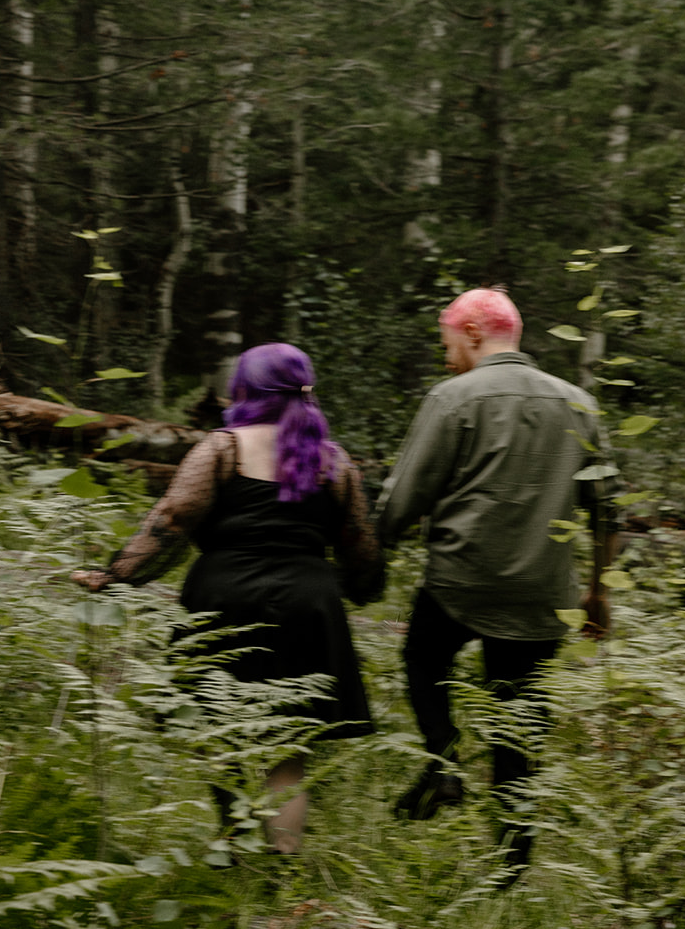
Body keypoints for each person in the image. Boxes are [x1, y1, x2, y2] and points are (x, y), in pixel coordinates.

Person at [73, 342, 383, 855]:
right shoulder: (333, 459)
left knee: (219, 731)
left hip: (225, 595)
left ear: (246, 388)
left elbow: (173, 518)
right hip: (307, 604)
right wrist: (364, 587)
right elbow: (359, 540)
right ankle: (283, 867)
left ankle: (235, 849)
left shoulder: (224, 446)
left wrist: (117, 574)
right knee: (290, 748)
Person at [376, 286, 614, 870]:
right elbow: (608, 511)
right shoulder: (580, 404)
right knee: (520, 721)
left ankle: (445, 765)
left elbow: (406, 496)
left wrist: (372, 548)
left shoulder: (454, 397)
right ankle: (511, 864)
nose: (447, 353)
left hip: (461, 581)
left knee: (424, 660)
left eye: (449, 341)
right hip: (541, 593)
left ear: (475, 332)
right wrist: (598, 590)